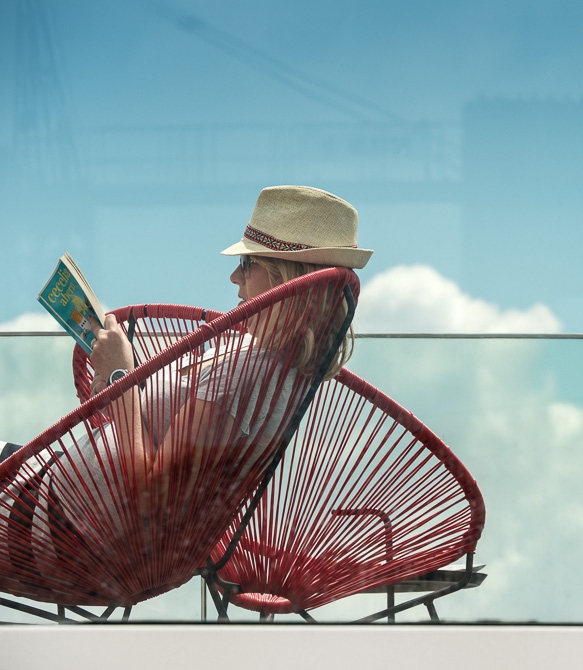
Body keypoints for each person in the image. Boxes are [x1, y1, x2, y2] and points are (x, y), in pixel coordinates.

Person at [0, 185, 373, 595]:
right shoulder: (281, 372)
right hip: (62, 503)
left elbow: (151, 500)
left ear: (287, 279)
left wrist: (121, 377)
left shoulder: (242, 376)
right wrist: (116, 391)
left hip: (50, 528)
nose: (234, 277)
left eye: (247, 263)